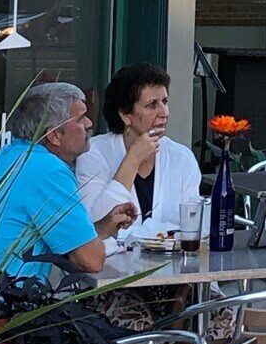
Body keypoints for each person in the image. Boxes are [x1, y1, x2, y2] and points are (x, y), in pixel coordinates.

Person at [0, 82, 137, 281]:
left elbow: (74, 246)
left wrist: (102, 229)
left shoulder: (3, 158)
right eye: (80, 119)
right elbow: (91, 261)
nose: (89, 123)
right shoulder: (48, 171)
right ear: (54, 135)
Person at [77, 62, 202, 235]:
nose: (164, 112)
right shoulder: (94, 153)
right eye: (152, 105)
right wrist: (132, 160)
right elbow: (95, 225)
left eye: (165, 102)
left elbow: (191, 225)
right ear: (125, 115)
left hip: (170, 260)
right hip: (110, 260)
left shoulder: (181, 157)